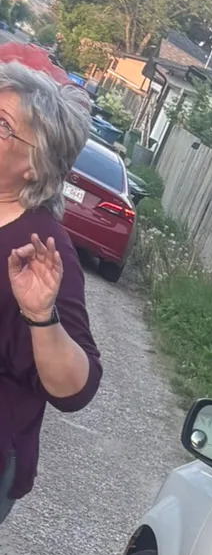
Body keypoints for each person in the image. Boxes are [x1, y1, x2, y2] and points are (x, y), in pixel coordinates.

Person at [0, 65, 101, 526]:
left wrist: (41, 315)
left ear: (34, 164)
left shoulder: (41, 249)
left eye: (3, 126)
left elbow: (77, 388)